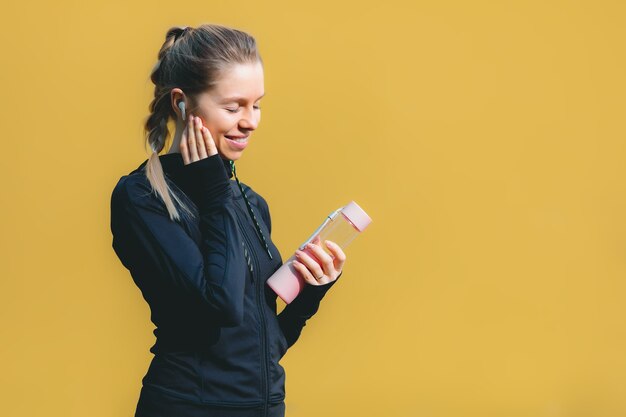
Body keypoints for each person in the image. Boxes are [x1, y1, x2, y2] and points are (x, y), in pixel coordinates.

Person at [109, 23, 347, 417]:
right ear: (183, 103)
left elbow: (265, 346)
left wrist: (311, 295)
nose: (250, 120)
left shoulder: (249, 201)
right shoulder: (141, 197)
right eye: (233, 106)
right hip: (188, 407)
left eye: (257, 104)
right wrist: (215, 192)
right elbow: (220, 307)